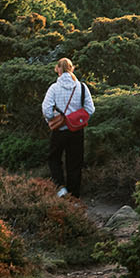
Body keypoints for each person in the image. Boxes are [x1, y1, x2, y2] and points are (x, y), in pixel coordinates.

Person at [41, 57, 94, 198]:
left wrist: (53, 119)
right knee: (75, 164)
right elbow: (90, 109)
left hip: (59, 131)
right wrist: (77, 119)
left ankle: (60, 189)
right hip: (77, 131)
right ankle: (74, 198)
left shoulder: (54, 88)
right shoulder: (82, 87)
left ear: (58, 69)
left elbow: (46, 110)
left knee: (54, 159)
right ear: (71, 69)